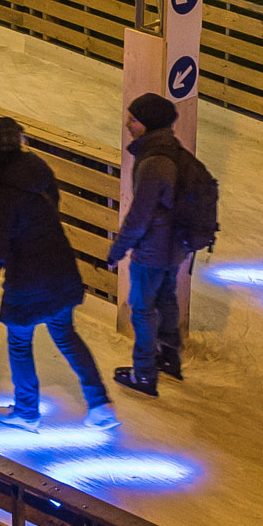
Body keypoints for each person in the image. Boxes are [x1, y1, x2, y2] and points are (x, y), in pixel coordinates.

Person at [0, 118, 118, 432]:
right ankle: (100, 404)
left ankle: (26, 411)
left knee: (20, 344)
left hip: (28, 281)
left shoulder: (6, 195)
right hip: (60, 268)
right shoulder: (37, 169)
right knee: (65, 334)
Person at [108, 93, 188, 397]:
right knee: (166, 299)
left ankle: (144, 374)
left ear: (149, 123)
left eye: (134, 119)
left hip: (153, 249)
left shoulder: (153, 162)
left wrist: (117, 251)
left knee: (141, 309)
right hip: (175, 246)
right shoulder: (172, 149)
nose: (128, 124)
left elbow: (139, 217)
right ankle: (169, 357)